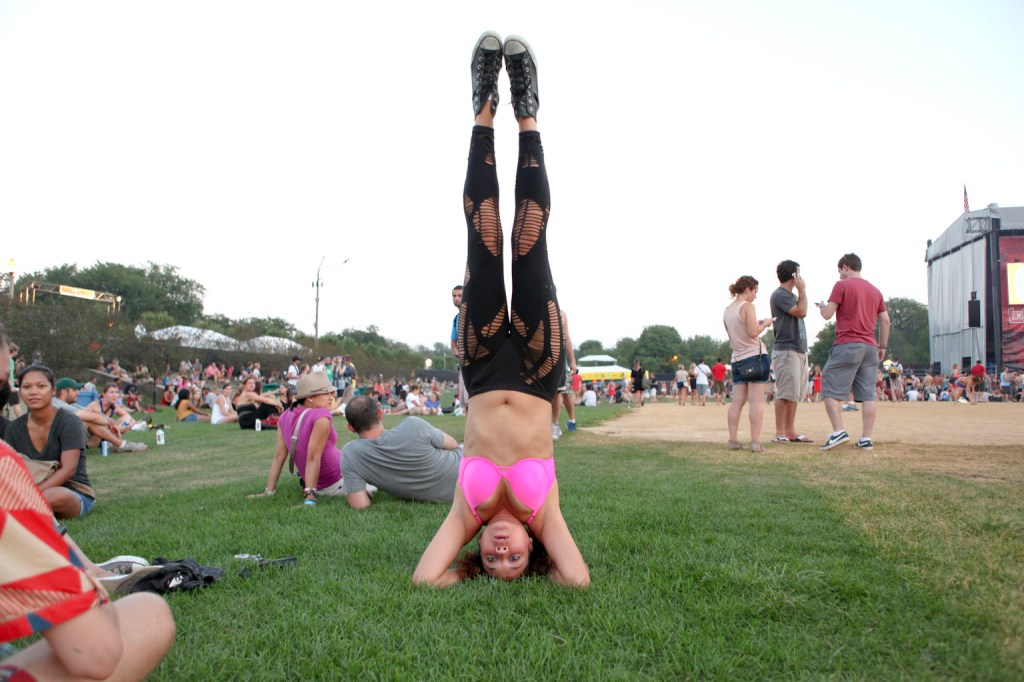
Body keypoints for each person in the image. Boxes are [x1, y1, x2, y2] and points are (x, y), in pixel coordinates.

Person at [412, 33, 588, 587]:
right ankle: (527, 113)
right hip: (541, 370)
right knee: (529, 242)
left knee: (483, 234)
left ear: (476, 552)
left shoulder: (467, 513)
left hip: (483, 363)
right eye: (515, 559)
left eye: (492, 561)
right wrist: (541, 563)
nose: (503, 552)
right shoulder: (545, 515)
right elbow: (577, 580)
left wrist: (464, 573)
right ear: (534, 548)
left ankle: (483, 108)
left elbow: (424, 580)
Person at [0, 439, 176, 681]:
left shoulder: (65, 421)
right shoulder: (8, 449)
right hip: (30, 500)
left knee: (49, 499)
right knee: (150, 613)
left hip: (68, 493)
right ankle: (88, 577)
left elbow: (69, 470)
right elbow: (96, 655)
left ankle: (91, 572)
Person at [816, 253, 890, 450]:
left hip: (848, 343)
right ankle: (866, 438)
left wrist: (822, 307)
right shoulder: (875, 290)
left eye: (840, 270)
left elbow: (827, 314)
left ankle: (838, 431)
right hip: (870, 347)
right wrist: (882, 346)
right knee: (868, 394)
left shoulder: (841, 286)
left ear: (846, 267)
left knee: (830, 385)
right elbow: (885, 320)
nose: (840, 274)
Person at [3, 365, 95, 518]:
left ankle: (24, 511)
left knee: (52, 496)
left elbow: (68, 469)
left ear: (53, 390)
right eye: (26, 387)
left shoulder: (69, 422)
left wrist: (33, 494)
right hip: (27, 490)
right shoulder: (14, 428)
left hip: (72, 492)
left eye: (41, 386)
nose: (33, 392)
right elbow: (8, 470)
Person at [340, 396, 460, 509]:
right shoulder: (413, 425)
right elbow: (453, 444)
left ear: (351, 428)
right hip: (468, 471)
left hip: (460, 489)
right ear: (380, 414)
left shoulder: (351, 454)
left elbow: (360, 505)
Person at [248, 372, 345, 504]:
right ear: (310, 398)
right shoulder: (321, 416)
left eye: (331, 393)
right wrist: (310, 497)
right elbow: (313, 457)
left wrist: (269, 491)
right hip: (336, 481)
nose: (331, 397)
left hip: (322, 480)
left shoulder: (284, 417)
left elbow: (279, 457)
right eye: (326, 393)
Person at [723, 276, 773, 452]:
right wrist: (765, 324)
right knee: (756, 401)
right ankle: (755, 442)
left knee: (737, 401)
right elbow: (753, 333)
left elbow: (737, 333)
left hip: (737, 359)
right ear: (747, 290)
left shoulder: (728, 310)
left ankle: (733, 440)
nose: (755, 296)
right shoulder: (748, 306)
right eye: (755, 292)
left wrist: (756, 325)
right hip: (755, 357)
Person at [769, 260, 813, 443]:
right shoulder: (780, 295)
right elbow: (801, 312)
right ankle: (781, 432)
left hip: (798, 349)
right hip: (786, 350)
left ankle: (790, 431)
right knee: (785, 392)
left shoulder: (789, 295)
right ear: (793, 276)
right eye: (798, 273)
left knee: (793, 393)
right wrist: (802, 290)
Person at [54, 377, 148, 453]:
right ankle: (121, 444)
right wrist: (113, 425)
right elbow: (91, 416)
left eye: (116, 392)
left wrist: (112, 424)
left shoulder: (70, 405)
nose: (78, 393)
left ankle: (115, 443)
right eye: (74, 390)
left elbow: (93, 413)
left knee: (95, 419)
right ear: (63, 392)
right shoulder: (57, 404)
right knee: (90, 421)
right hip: (57, 443)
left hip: (69, 438)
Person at [551, 309, 577, 437]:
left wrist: (572, 360)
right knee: (558, 392)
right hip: (545, 358)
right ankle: (553, 425)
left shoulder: (561, 314)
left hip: (560, 360)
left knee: (564, 392)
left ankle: (571, 421)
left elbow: (566, 337)